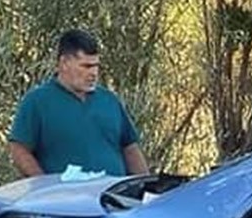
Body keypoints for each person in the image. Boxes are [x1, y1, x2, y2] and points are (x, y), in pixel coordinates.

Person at [8, 29, 148, 178]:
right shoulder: (37, 101)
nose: (93, 73)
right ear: (64, 63)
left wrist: (146, 186)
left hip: (112, 196)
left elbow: (130, 147)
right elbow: (19, 150)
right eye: (86, 66)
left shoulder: (109, 100)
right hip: (66, 197)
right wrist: (44, 186)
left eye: (96, 66)